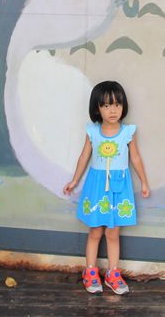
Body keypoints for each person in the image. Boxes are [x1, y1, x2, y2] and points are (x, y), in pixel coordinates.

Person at [63, 81, 150, 295]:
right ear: (97, 108)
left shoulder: (127, 132)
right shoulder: (93, 131)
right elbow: (84, 156)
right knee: (95, 231)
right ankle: (90, 271)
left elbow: (135, 158)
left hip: (119, 186)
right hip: (97, 186)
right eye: (107, 105)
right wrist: (74, 180)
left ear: (123, 107)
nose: (113, 110)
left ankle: (113, 273)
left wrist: (144, 182)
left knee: (113, 232)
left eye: (117, 105)